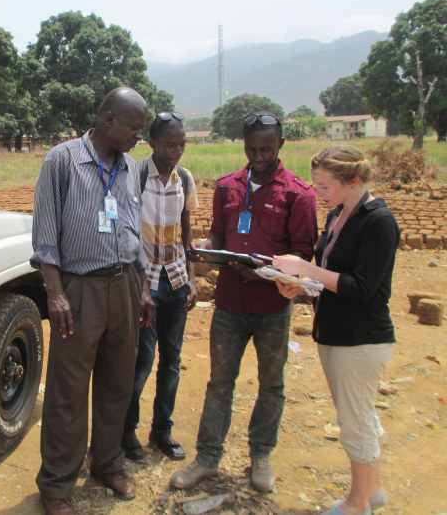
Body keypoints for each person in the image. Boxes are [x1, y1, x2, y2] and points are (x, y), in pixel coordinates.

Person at [169, 111, 317, 493]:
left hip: (272, 306)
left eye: (266, 148)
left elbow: (302, 252)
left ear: (281, 144)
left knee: (271, 384)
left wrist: (274, 271)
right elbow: (220, 234)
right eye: (251, 148)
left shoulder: (299, 194)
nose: (258, 156)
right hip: (231, 303)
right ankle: (207, 458)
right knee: (220, 383)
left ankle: (261, 454)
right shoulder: (227, 187)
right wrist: (208, 250)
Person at [30, 87, 156, 515]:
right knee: (68, 392)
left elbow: (134, 233)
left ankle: (107, 463)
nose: (140, 135)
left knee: (117, 383)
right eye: (135, 127)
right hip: (78, 289)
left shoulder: (131, 169)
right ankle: (56, 484)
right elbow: (45, 236)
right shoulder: (62, 161)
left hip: (123, 285)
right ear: (108, 120)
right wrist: (55, 291)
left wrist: (141, 287)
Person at [272, 144, 399, 515]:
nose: (319, 194)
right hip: (335, 331)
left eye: (325, 187)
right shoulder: (338, 215)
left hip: (361, 338)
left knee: (355, 421)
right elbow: (332, 279)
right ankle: (372, 490)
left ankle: (358, 503)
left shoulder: (378, 222)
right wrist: (301, 287)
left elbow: (362, 286)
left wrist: (306, 269)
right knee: (360, 413)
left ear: (354, 181)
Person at [121, 111, 198, 463]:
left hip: (177, 279)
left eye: (182, 144)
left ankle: (162, 429)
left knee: (172, 359)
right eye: (171, 144)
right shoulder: (134, 176)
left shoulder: (185, 178)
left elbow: (186, 232)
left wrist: (193, 278)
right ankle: (127, 429)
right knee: (142, 359)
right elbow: (123, 230)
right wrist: (136, 288)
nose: (177, 151)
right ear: (152, 144)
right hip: (146, 282)